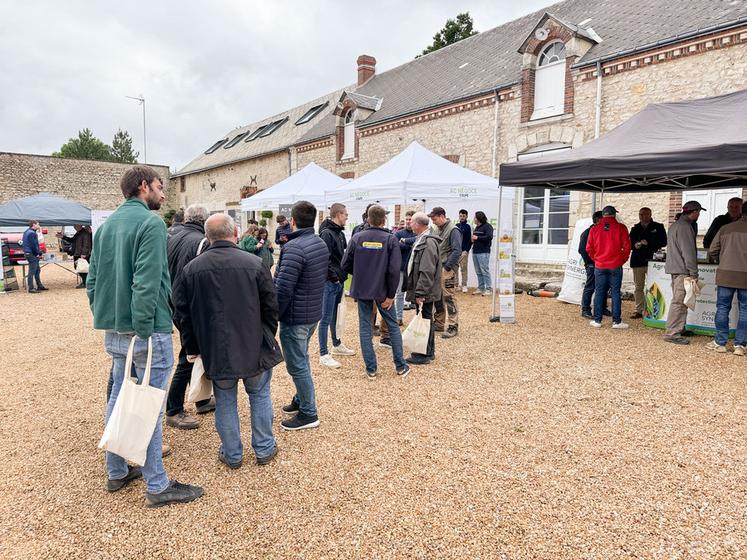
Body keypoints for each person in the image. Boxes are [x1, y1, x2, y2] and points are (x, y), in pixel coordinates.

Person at [87, 165, 203, 507]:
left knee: (120, 396)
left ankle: (117, 470)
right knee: (149, 404)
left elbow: (93, 282)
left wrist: (106, 316)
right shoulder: (151, 224)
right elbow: (147, 282)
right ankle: (157, 483)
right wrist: (141, 328)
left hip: (116, 327)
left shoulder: (106, 227)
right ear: (143, 187)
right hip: (147, 331)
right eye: (159, 186)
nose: (164, 194)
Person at [172, 214, 283, 468]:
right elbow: (271, 306)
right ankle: (264, 448)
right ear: (234, 234)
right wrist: (266, 334)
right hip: (252, 343)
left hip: (217, 347)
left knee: (226, 399)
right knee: (259, 395)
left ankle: (233, 454)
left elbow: (182, 312)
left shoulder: (192, 269)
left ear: (208, 238)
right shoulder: (255, 264)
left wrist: (193, 347)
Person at [274, 200, 328, 430]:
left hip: (296, 315)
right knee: (302, 358)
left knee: (297, 364)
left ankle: (309, 412)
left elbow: (283, 288)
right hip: (312, 312)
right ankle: (300, 399)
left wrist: (272, 314)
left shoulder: (294, 247)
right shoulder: (319, 242)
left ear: (293, 221)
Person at [342, 204, 409, 379]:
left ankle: (371, 369)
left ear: (368, 219)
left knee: (365, 327)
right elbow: (394, 270)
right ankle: (400, 366)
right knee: (392, 326)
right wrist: (391, 295)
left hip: (363, 289)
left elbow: (345, 264)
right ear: (384, 219)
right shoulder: (390, 239)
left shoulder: (357, 237)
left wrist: (361, 274)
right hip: (383, 290)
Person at [164, 204, 214, 430]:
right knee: (189, 355)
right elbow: (204, 279)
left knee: (198, 353)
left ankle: (202, 399)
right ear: (204, 220)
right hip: (190, 305)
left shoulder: (172, 236)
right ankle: (174, 409)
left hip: (172, 300)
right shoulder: (201, 241)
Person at [317, 203, 356, 369]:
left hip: (338, 281)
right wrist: (334, 278)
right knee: (325, 318)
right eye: (345, 214)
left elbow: (342, 257)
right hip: (330, 282)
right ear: (338, 214)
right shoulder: (327, 234)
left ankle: (336, 344)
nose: (347, 217)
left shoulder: (339, 233)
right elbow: (323, 260)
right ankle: (323, 354)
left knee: (335, 315)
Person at [706, 200, 747, 355]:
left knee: (722, 307)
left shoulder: (725, 228)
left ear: (742, 211)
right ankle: (740, 345)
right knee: (745, 310)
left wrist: (722, 260)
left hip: (725, 274)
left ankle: (720, 342)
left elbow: (712, 250)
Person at [663, 201, 705, 345]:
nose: (699, 215)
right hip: (682, 270)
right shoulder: (685, 227)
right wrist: (694, 272)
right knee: (679, 302)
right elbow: (689, 253)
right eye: (698, 212)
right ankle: (672, 333)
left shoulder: (676, 225)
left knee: (680, 301)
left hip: (676, 269)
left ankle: (678, 328)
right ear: (694, 212)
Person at [404, 212, 442, 365]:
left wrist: (420, 293)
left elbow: (426, 270)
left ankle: (422, 354)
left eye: (412, 222)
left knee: (424, 319)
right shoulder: (423, 239)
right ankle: (428, 351)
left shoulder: (428, 242)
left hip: (425, 291)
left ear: (419, 224)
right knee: (426, 318)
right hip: (424, 289)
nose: (410, 225)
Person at [586, 206, 631, 329]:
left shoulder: (594, 229)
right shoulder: (621, 228)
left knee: (599, 292)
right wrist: (622, 260)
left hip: (600, 265)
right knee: (615, 293)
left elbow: (589, 248)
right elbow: (627, 248)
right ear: (614, 215)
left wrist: (597, 259)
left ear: (603, 215)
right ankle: (616, 321)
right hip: (615, 265)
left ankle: (597, 320)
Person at [628, 207, 667, 319]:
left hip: (653, 261)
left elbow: (664, 242)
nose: (642, 216)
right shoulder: (635, 228)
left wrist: (648, 243)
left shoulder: (658, 227)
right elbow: (629, 243)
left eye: (645, 214)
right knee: (638, 287)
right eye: (640, 214)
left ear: (650, 215)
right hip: (638, 261)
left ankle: (653, 310)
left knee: (653, 287)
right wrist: (635, 245)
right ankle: (639, 310)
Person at [429, 207, 462, 338]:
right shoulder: (436, 228)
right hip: (437, 267)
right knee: (437, 296)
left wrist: (447, 267)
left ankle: (453, 325)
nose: (433, 221)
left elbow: (457, 250)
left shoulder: (453, 230)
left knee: (449, 297)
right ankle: (439, 323)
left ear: (442, 216)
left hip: (447, 269)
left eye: (435, 219)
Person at [578, 211, 607, 319]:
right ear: (598, 220)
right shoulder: (587, 232)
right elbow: (582, 250)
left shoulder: (603, 231)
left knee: (604, 286)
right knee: (590, 287)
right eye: (604, 219)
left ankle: (602, 307)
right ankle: (585, 309)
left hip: (603, 264)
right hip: (592, 264)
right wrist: (591, 263)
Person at [395, 210, 417, 321]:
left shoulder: (418, 233)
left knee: (418, 294)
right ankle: (398, 318)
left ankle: (419, 318)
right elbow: (395, 245)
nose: (408, 222)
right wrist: (411, 244)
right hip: (401, 268)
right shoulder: (399, 233)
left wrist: (405, 242)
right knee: (399, 294)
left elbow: (418, 241)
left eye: (411, 220)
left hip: (415, 269)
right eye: (407, 219)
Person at [470, 211, 493, 296]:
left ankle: (489, 289)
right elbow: (476, 239)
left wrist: (477, 237)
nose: (474, 219)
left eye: (475, 218)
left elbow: (489, 237)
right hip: (475, 251)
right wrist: (473, 239)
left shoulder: (488, 226)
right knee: (478, 271)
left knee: (484, 270)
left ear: (479, 218)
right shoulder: (477, 227)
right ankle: (481, 288)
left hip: (483, 252)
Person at [22, 220, 46, 293]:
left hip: (28, 253)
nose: (39, 226)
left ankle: (39, 285)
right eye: (38, 224)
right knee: (32, 271)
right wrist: (39, 253)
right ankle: (31, 288)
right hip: (31, 254)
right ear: (34, 225)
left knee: (37, 270)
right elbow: (34, 245)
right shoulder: (32, 233)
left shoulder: (27, 232)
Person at [455, 209, 472, 293]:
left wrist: (466, 250)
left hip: (464, 251)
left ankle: (464, 285)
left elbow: (470, 240)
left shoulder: (468, 226)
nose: (462, 217)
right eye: (460, 216)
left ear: (466, 216)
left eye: (463, 216)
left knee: (463, 268)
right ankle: (456, 285)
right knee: (455, 268)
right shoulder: (456, 225)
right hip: (456, 251)